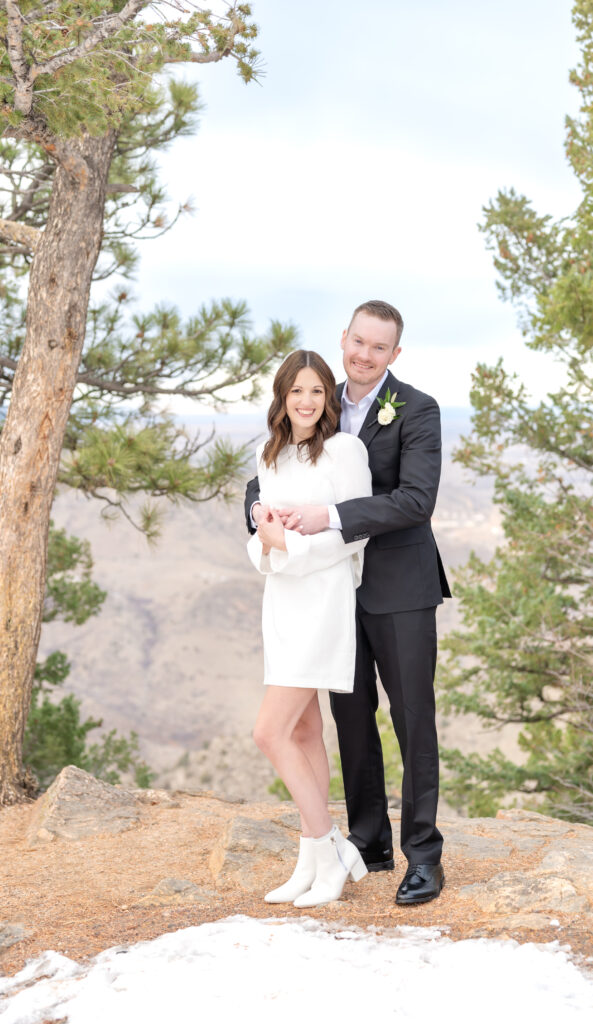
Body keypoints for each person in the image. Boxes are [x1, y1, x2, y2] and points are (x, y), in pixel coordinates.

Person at [245, 300, 451, 906]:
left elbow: (416, 501)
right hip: (331, 592)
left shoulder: (417, 409)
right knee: (351, 718)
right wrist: (259, 515)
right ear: (344, 338)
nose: (364, 355)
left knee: (412, 716)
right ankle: (368, 839)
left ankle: (424, 854)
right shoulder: (317, 395)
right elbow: (271, 470)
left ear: (395, 353)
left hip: (399, 585)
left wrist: (327, 516)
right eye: (358, 342)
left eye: (378, 347)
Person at [247, 349, 373, 908]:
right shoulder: (267, 454)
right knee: (301, 732)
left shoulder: (345, 450)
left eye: (317, 391)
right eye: (296, 391)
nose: (305, 401)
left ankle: (332, 848)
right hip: (282, 598)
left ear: (328, 398)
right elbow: (263, 536)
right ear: (282, 396)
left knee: (267, 733)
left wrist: (288, 545)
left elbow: (358, 533)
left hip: (323, 599)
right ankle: (310, 860)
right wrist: (267, 542)